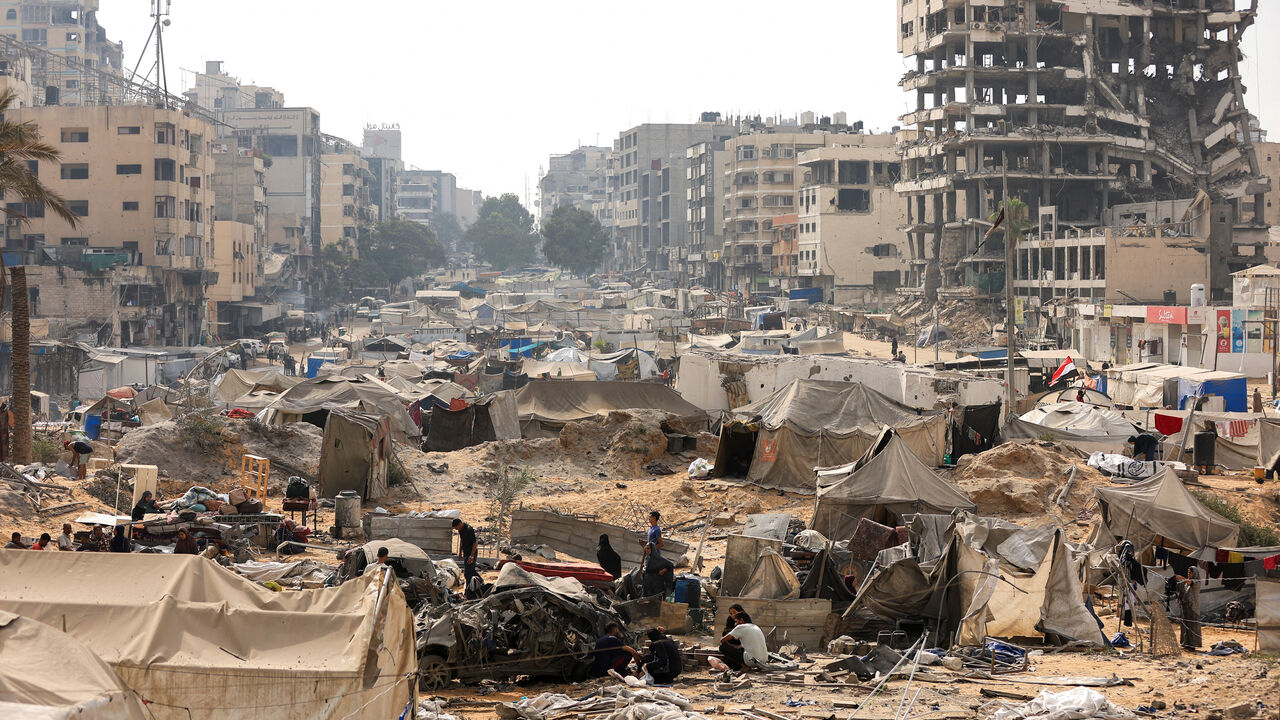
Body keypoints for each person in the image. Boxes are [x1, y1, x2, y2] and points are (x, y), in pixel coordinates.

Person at [1176, 566, 1202, 649]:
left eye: (1190, 573)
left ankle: (1193, 644)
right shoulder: (1186, 584)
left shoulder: (1197, 582)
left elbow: (1190, 583)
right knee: (1185, 625)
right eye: (1188, 573)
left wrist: (1181, 578)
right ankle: (1186, 643)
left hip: (1193, 607)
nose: (1189, 574)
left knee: (1192, 625)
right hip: (1185, 607)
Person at [452, 518, 478, 582]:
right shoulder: (461, 530)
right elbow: (462, 541)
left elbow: (475, 543)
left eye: (457, 528)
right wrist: (460, 552)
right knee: (471, 571)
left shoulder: (469, 529)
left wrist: (471, 556)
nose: (457, 529)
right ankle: (480, 584)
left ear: (460, 524)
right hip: (466, 553)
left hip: (471, 552)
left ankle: (472, 587)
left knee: (468, 573)